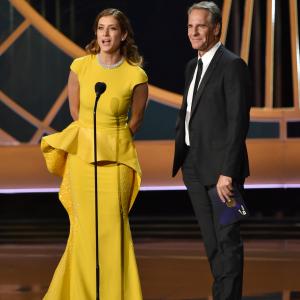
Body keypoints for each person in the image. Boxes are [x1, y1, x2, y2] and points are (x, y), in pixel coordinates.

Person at [41, 8, 148, 300]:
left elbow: (135, 120)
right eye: (101, 28)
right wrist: (92, 135)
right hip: (83, 161)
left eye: (112, 29)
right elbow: (76, 111)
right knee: (84, 231)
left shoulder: (136, 75)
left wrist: (111, 138)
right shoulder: (80, 67)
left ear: (123, 34)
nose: (105, 34)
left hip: (117, 161)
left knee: (115, 229)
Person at [172, 2, 251, 300]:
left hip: (224, 174)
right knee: (211, 243)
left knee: (228, 239)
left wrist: (228, 173)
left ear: (216, 27)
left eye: (200, 25)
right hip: (193, 169)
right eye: (190, 26)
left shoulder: (232, 65)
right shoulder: (192, 66)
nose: (193, 32)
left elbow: (238, 123)